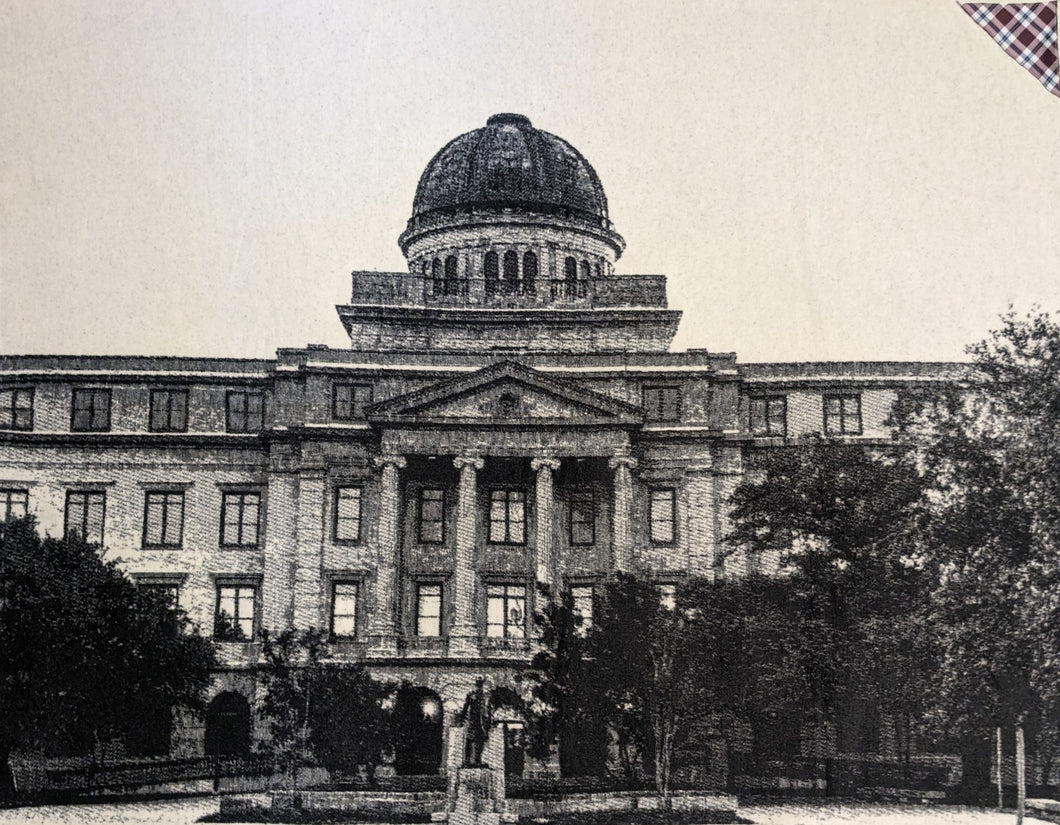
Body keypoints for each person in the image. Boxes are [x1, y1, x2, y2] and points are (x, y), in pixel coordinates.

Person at [456, 677, 492, 766]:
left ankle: (478, 760)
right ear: (476, 685)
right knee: (469, 740)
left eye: (481, 684)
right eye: (478, 684)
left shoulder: (485, 696)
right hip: (473, 720)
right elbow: (465, 707)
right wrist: (462, 718)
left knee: (480, 741)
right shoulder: (471, 695)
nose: (480, 686)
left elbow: (488, 709)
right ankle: (467, 760)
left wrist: (489, 720)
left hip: (482, 722)